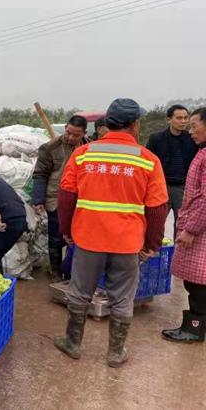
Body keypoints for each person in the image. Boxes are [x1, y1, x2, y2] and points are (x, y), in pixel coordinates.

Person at [55, 98, 168, 367]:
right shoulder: (149, 161)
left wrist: (65, 230)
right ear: (135, 124)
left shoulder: (84, 155)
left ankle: (73, 343)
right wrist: (151, 244)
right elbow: (157, 209)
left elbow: (66, 197)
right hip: (127, 242)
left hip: (88, 238)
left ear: (108, 123)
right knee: (122, 297)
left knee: (80, 293)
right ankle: (116, 352)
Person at [162, 107, 206, 343]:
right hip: (198, 224)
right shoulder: (202, 150)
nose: (191, 131)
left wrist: (191, 229)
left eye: (194, 126)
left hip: (200, 230)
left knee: (198, 282)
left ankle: (194, 328)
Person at [32, 115, 89, 281]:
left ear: (84, 133)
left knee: (78, 238)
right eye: (69, 132)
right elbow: (40, 174)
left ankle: (72, 271)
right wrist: (38, 199)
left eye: (76, 135)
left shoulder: (90, 147)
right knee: (56, 237)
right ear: (65, 128)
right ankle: (56, 272)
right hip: (56, 199)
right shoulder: (50, 148)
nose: (71, 137)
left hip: (82, 200)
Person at [146, 104, 198, 238]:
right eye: (179, 118)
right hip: (160, 187)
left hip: (183, 188)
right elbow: (148, 163)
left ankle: (177, 254)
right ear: (169, 119)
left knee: (181, 225)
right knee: (155, 223)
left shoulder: (192, 138)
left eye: (185, 118)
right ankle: (153, 251)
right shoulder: (156, 138)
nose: (183, 121)